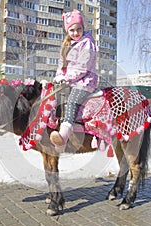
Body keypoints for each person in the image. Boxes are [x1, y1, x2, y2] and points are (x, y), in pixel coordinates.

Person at [50, 9, 97, 150]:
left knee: (72, 101)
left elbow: (83, 66)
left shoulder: (87, 43)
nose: (76, 33)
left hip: (84, 82)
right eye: (72, 30)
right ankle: (60, 124)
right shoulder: (66, 45)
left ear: (83, 28)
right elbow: (61, 65)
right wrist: (59, 77)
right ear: (67, 31)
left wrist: (67, 78)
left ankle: (63, 136)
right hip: (70, 81)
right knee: (54, 99)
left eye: (79, 29)